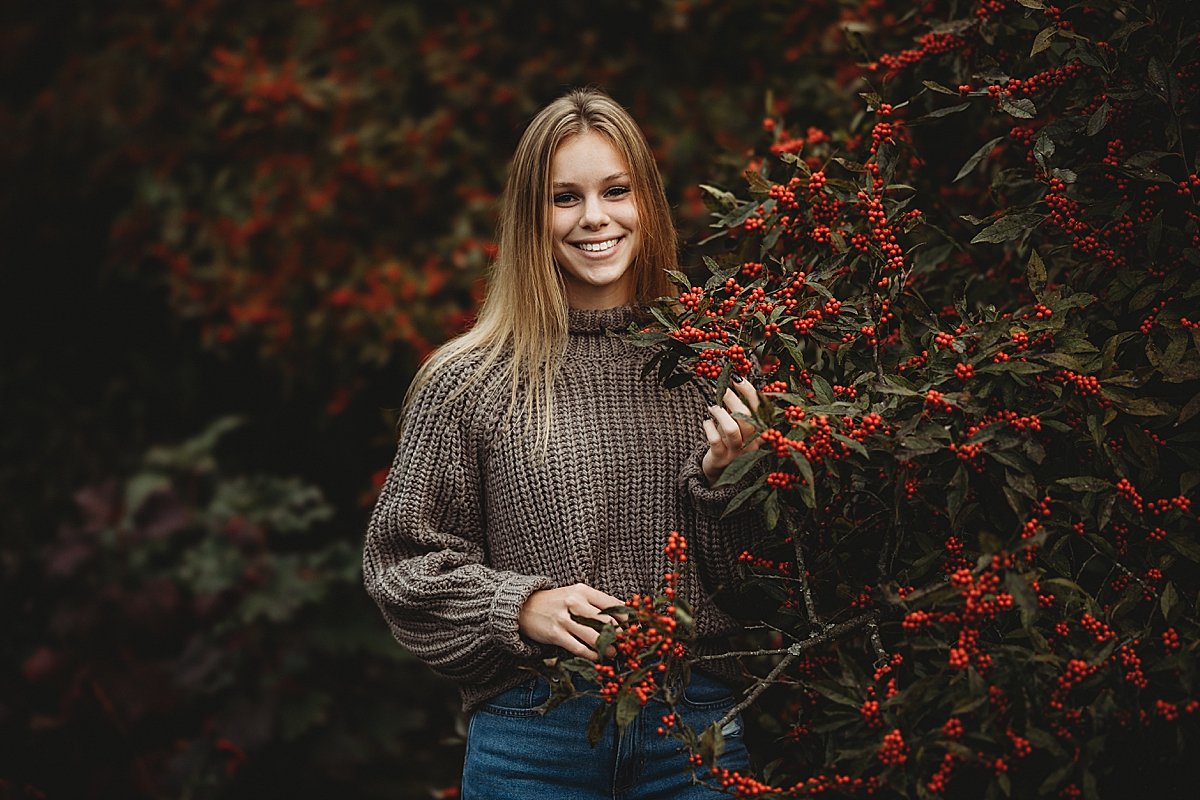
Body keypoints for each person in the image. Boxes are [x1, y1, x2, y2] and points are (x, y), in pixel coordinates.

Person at [362, 87, 763, 798]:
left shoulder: (715, 368)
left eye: (615, 190)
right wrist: (517, 605)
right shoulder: (470, 380)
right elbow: (401, 564)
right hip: (532, 738)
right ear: (531, 217)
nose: (595, 218)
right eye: (564, 198)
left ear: (648, 202)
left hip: (694, 728)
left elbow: (767, 590)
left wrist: (727, 483)